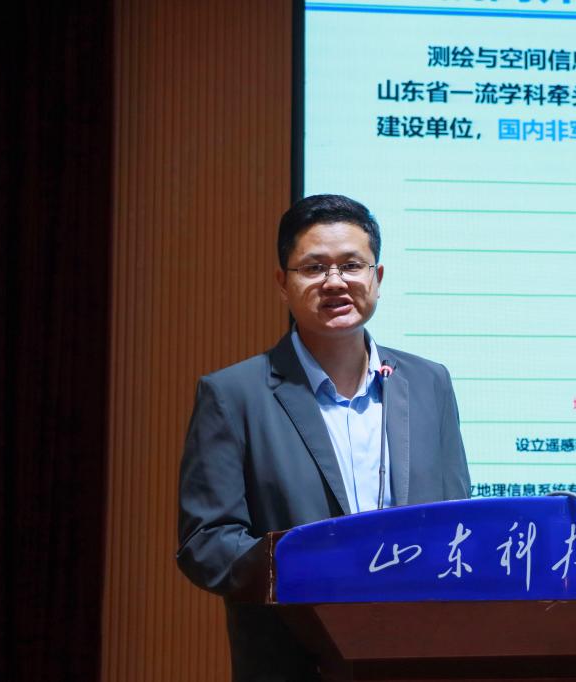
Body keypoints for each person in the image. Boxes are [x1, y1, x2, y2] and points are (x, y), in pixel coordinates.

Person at [176, 194, 471, 681]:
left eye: (352, 265)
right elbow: (205, 544)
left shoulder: (429, 382)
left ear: (377, 277)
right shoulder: (233, 394)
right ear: (283, 283)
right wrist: (309, 569)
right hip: (295, 659)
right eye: (314, 268)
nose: (335, 282)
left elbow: (456, 515)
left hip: (417, 655)